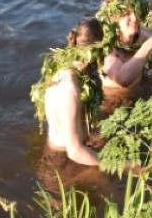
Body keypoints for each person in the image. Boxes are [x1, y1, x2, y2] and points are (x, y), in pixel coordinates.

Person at [38, 18, 106, 166]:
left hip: (69, 152)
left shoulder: (73, 74)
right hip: (63, 162)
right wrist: (129, 167)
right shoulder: (68, 88)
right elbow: (74, 152)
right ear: (94, 53)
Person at [96, 0, 152, 93]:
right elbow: (121, 80)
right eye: (127, 14)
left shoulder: (138, 36)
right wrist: (148, 46)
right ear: (113, 20)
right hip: (113, 101)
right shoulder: (106, 47)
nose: (135, 18)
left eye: (136, 12)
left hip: (139, 89)